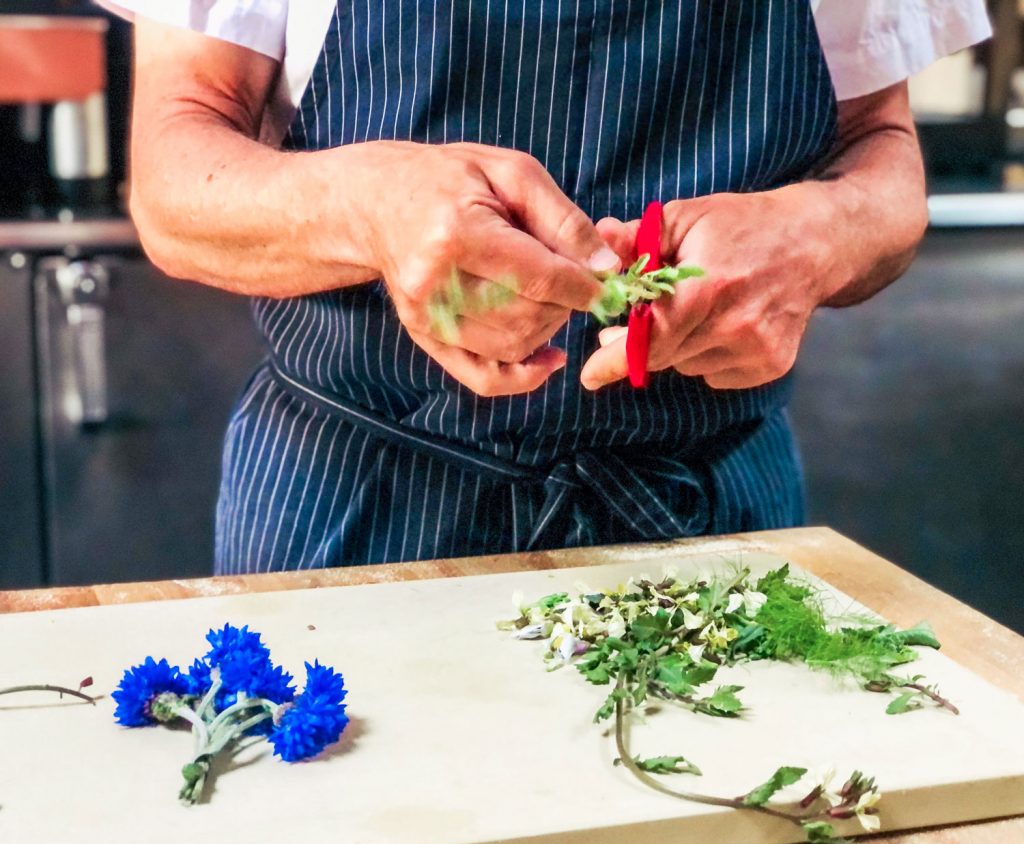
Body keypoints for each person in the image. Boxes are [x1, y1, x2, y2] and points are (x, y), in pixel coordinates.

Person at [99, 1, 989, 573]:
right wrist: (370, 208)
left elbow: (883, 148)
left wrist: (822, 234)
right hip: (354, 516)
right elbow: (174, 181)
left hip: (713, 517)